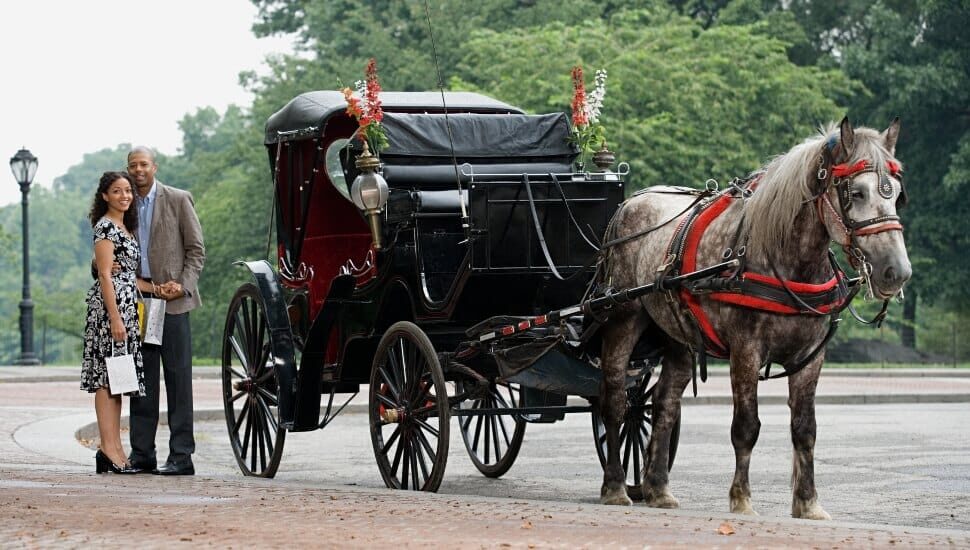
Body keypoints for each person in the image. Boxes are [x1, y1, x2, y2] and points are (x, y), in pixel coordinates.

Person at [126, 146, 205, 476]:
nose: (138, 170)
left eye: (143, 164)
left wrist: (183, 284)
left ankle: (181, 456)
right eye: (133, 166)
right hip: (140, 302)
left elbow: (196, 250)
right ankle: (142, 454)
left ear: (154, 167)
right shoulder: (124, 203)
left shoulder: (177, 199)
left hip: (172, 304)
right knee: (141, 382)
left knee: (178, 380)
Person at [82, 171, 155, 474]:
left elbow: (126, 275)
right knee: (105, 378)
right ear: (105, 196)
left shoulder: (125, 228)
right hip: (110, 311)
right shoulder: (105, 228)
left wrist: (158, 289)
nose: (124, 196)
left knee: (118, 379)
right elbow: (104, 274)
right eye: (117, 191)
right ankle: (108, 448)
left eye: (127, 191)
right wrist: (114, 317)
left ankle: (115, 449)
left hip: (127, 308)